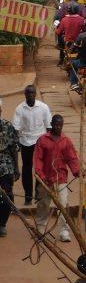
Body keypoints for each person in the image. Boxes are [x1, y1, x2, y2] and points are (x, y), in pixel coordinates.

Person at [34, 115, 79, 242]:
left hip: (61, 178)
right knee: (43, 204)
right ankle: (40, 229)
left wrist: (76, 171)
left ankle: (64, 231)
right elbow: (38, 159)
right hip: (46, 179)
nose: (58, 127)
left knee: (63, 204)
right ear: (51, 124)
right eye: (56, 125)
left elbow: (72, 158)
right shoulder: (42, 140)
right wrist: (40, 175)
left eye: (60, 125)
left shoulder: (66, 140)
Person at [12, 86, 50, 206]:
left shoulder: (43, 107)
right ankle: (28, 196)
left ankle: (38, 194)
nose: (30, 96)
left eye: (32, 93)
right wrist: (16, 140)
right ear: (25, 94)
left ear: (35, 95)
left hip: (40, 141)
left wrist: (49, 143)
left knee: (39, 169)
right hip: (26, 141)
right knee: (27, 168)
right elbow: (15, 128)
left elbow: (48, 126)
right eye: (28, 94)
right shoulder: (19, 109)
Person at [0, 98, 19, 238]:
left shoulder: (7, 126)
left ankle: (2, 224)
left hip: (6, 167)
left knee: (7, 196)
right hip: (6, 165)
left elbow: (13, 148)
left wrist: (16, 168)